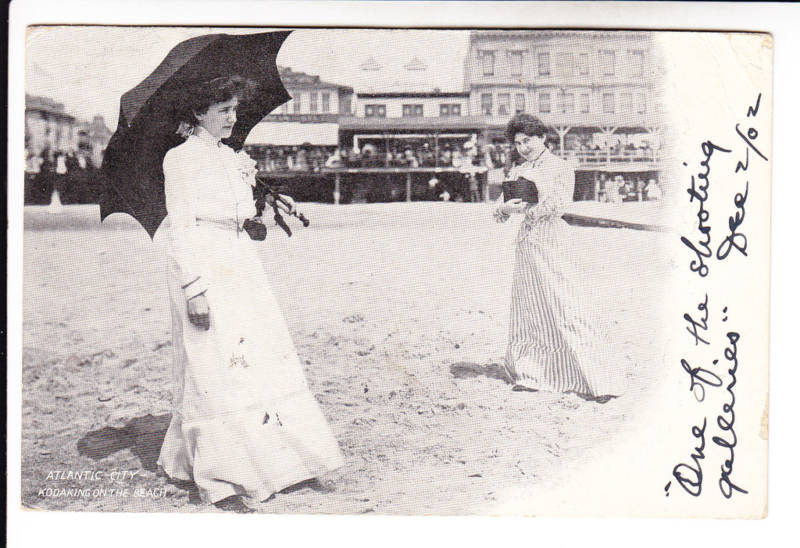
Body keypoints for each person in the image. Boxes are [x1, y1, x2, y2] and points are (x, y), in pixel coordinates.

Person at [158, 76, 344, 512]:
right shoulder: (179, 159)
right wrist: (194, 289)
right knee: (214, 361)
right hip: (204, 260)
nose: (232, 117)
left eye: (235, 109)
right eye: (223, 110)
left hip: (240, 261)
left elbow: (242, 214)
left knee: (258, 355)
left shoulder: (233, 157)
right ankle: (222, 476)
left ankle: (282, 460)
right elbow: (181, 228)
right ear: (199, 112)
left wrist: (262, 204)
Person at [493, 114, 615, 402]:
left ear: (542, 138)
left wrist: (530, 208)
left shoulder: (560, 167)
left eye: (528, 140)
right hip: (527, 243)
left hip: (552, 239)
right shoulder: (518, 169)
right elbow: (499, 210)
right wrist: (508, 208)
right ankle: (533, 373)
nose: (523, 147)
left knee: (566, 301)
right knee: (531, 306)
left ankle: (594, 377)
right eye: (518, 143)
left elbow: (560, 204)